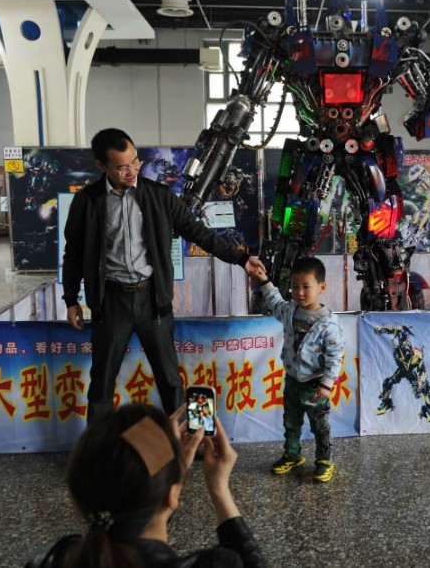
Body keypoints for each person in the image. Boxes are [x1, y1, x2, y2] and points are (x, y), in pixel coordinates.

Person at [62, 128, 266, 422]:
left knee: (171, 380)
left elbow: (198, 232)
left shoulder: (159, 197)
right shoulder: (87, 202)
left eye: (135, 162)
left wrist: (242, 259)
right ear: (101, 166)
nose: (131, 171)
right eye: (121, 167)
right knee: (102, 384)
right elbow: (74, 254)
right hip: (111, 303)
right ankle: (99, 450)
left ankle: (188, 440)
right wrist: (71, 298)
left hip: (152, 301)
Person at [25, 403, 267, 568]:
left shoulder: (50, 558)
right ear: (172, 497)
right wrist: (219, 488)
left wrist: (169, 476)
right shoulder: (216, 563)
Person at [250, 256, 345, 483]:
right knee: (290, 422)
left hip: (315, 385)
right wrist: (264, 281)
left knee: (319, 426)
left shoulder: (328, 324)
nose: (299, 292)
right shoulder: (290, 311)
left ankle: (324, 460)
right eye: (294, 286)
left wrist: (326, 384)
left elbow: (335, 357)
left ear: (322, 287)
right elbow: (274, 302)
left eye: (306, 287)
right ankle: (293, 454)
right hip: (292, 381)